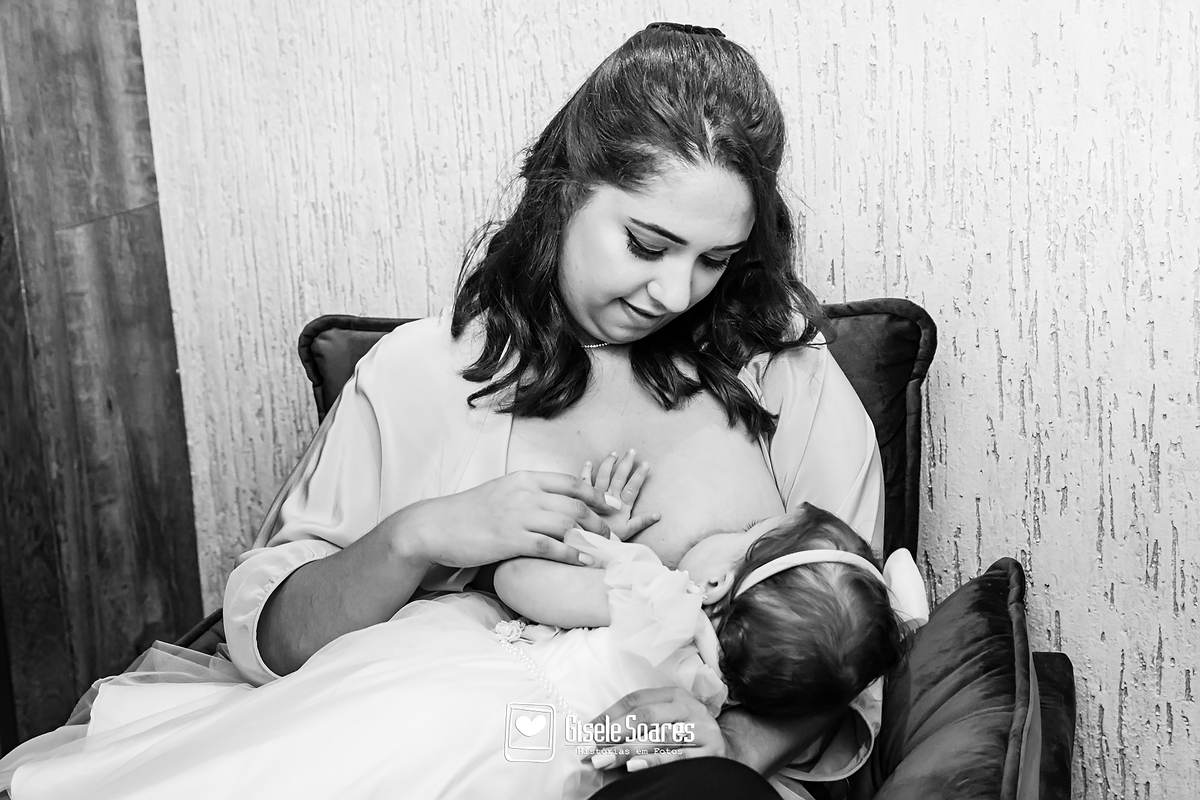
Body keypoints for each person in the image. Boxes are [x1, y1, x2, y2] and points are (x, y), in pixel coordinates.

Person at [0, 20, 887, 799]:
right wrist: (420, 537)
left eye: (715, 260)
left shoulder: (785, 381)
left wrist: (728, 747)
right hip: (441, 751)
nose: (675, 292)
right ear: (567, 189)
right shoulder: (421, 375)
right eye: (647, 244)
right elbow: (272, 644)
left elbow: (850, 647)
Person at [3, 465, 904, 800]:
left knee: (323, 761)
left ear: (714, 585)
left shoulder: (657, 599)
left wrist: (598, 556)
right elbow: (620, 751)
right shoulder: (715, 703)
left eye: (749, 532)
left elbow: (514, 583)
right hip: (545, 744)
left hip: (479, 699)